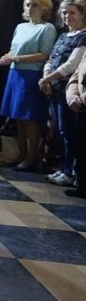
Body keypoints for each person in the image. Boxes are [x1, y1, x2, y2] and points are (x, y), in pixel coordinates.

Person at [0, 0, 56, 171]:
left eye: (35, 5)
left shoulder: (47, 28)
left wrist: (16, 58)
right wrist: (7, 57)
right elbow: (13, 49)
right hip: (15, 74)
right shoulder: (20, 27)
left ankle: (31, 158)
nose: (30, 8)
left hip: (31, 76)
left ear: (44, 7)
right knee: (17, 117)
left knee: (29, 118)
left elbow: (44, 54)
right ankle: (21, 154)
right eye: (28, 4)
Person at [39, 0, 86, 185]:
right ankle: (64, 168)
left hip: (70, 90)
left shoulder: (83, 37)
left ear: (83, 15)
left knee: (69, 132)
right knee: (59, 131)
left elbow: (71, 65)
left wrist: (46, 79)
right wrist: (46, 78)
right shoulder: (63, 36)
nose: (67, 16)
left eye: (72, 12)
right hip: (54, 88)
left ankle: (70, 171)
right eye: (65, 12)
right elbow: (51, 58)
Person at [64, 51, 86, 199]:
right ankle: (82, 186)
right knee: (81, 147)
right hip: (81, 106)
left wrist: (82, 99)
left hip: (83, 103)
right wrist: (72, 96)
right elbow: (77, 73)